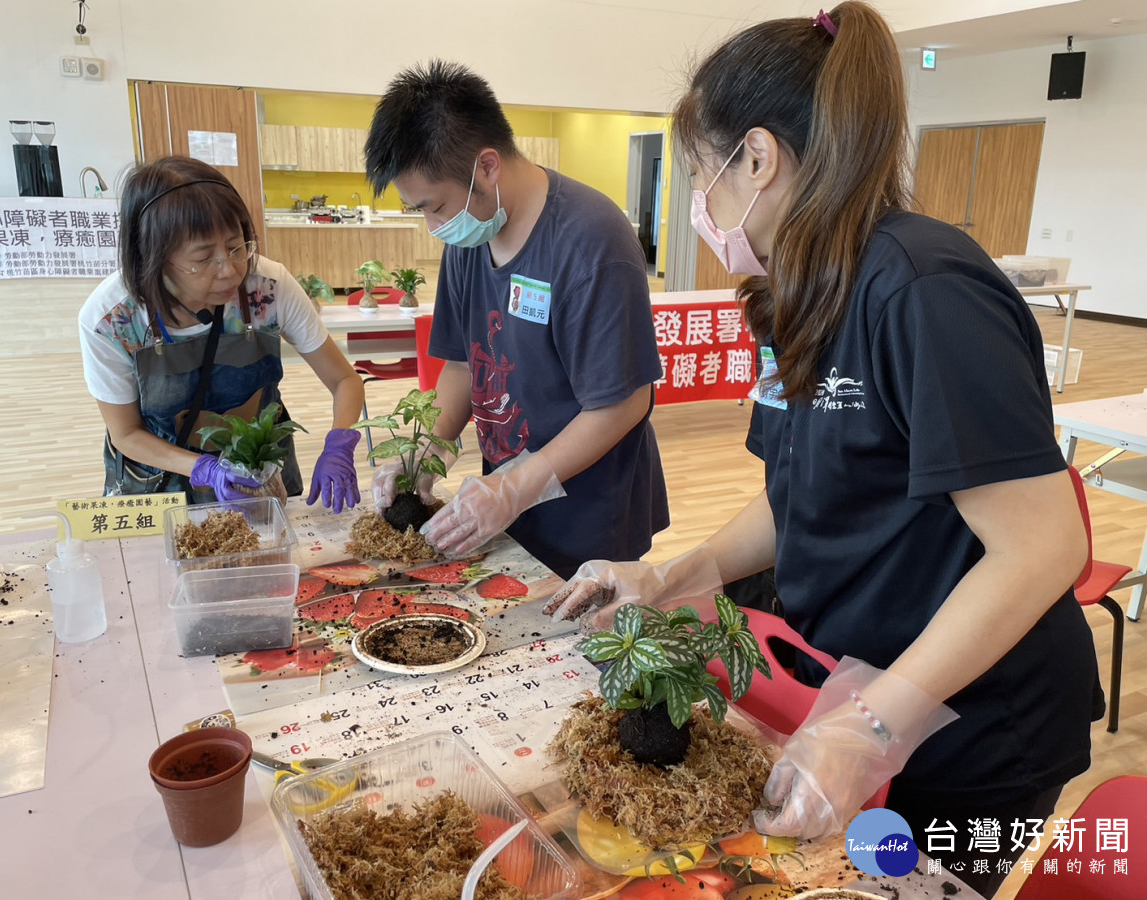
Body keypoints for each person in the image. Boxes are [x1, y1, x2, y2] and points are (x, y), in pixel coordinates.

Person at [544, 4, 1100, 896]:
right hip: (856, 682)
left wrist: (871, 730)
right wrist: (674, 575)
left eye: (703, 176)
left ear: (756, 159)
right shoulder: (802, 289)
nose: (705, 206)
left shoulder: (924, 289)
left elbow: (1041, 546)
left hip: (972, 721)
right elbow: (797, 490)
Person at [363, 60, 668, 578]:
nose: (434, 226)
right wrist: (425, 452)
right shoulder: (471, 235)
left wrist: (514, 486)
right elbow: (462, 366)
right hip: (505, 507)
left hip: (589, 515)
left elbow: (624, 403)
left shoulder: (592, 241)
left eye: (434, 206)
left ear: (486, 167)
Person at [79, 156, 365, 511]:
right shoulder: (112, 319)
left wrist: (339, 441)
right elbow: (126, 433)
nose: (229, 271)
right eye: (203, 257)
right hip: (159, 481)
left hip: (261, 473)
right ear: (153, 256)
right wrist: (204, 468)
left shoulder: (268, 287)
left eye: (236, 246)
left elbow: (344, 380)